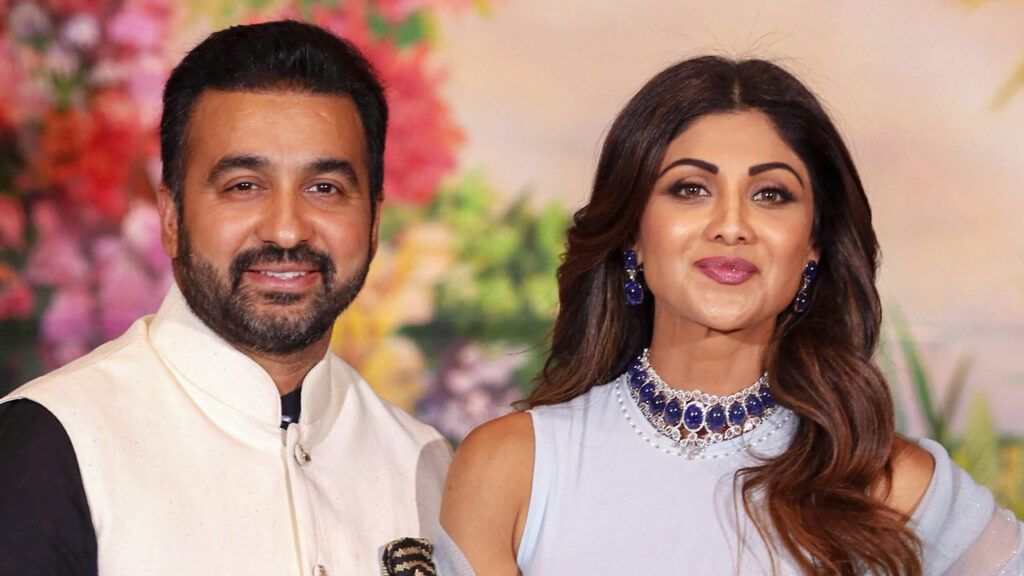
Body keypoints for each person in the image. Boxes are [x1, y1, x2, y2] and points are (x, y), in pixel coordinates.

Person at [436, 56, 1024, 575]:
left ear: (813, 246)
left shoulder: (888, 486)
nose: (732, 225)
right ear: (633, 232)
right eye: (691, 189)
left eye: (771, 194)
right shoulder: (512, 468)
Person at [0, 20, 451, 575]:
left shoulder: (423, 462)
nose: (286, 230)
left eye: (325, 188)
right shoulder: (53, 444)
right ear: (172, 217)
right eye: (244, 186)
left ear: (375, 222)